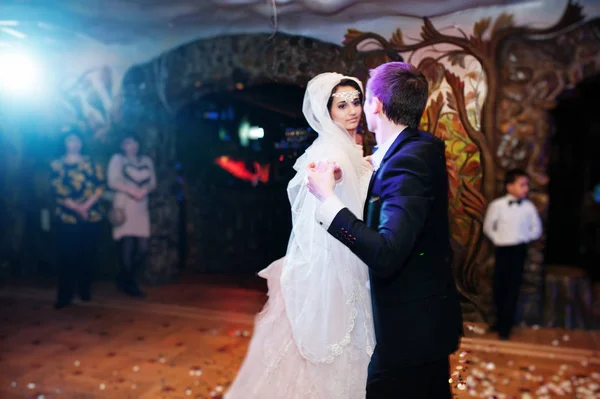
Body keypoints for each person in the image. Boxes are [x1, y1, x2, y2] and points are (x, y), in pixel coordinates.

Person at [306, 62, 463, 399]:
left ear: (375, 104)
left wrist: (328, 200)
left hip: (410, 335)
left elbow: (386, 254)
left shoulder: (408, 162)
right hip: (424, 322)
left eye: (361, 100)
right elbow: (391, 178)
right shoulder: (417, 147)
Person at [225, 73, 375, 399]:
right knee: (335, 341)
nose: (352, 110)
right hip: (338, 259)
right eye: (342, 105)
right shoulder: (328, 151)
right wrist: (336, 176)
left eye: (356, 101)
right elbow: (325, 193)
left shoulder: (349, 146)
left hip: (357, 252)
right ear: (327, 112)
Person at [483, 168, 542, 340]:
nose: (526, 189)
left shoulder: (529, 208)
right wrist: (498, 238)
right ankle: (499, 321)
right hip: (502, 249)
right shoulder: (498, 205)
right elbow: (488, 227)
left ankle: (506, 326)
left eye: (526, 185)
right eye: (522, 185)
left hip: (519, 251)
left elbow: (536, 229)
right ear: (509, 186)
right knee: (498, 286)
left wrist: (523, 238)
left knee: (512, 288)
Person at [49, 129, 105, 309]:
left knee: (87, 255)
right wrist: (77, 208)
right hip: (67, 217)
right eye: (70, 140)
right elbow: (57, 190)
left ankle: (84, 289)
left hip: (92, 215)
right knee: (67, 256)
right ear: (64, 143)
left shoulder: (92, 163)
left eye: (77, 140)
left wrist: (86, 207)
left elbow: (99, 186)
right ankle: (65, 295)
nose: (74, 143)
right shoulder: (56, 165)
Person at [107, 131, 156, 297]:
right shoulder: (118, 159)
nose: (132, 146)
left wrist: (143, 191)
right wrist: (131, 190)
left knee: (142, 247)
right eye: (128, 143)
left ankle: (125, 277)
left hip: (141, 206)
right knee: (126, 243)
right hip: (124, 205)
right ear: (122, 145)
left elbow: (152, 182)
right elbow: (112, 181)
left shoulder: (146, 161)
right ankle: (129, 282)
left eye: (134, 142)